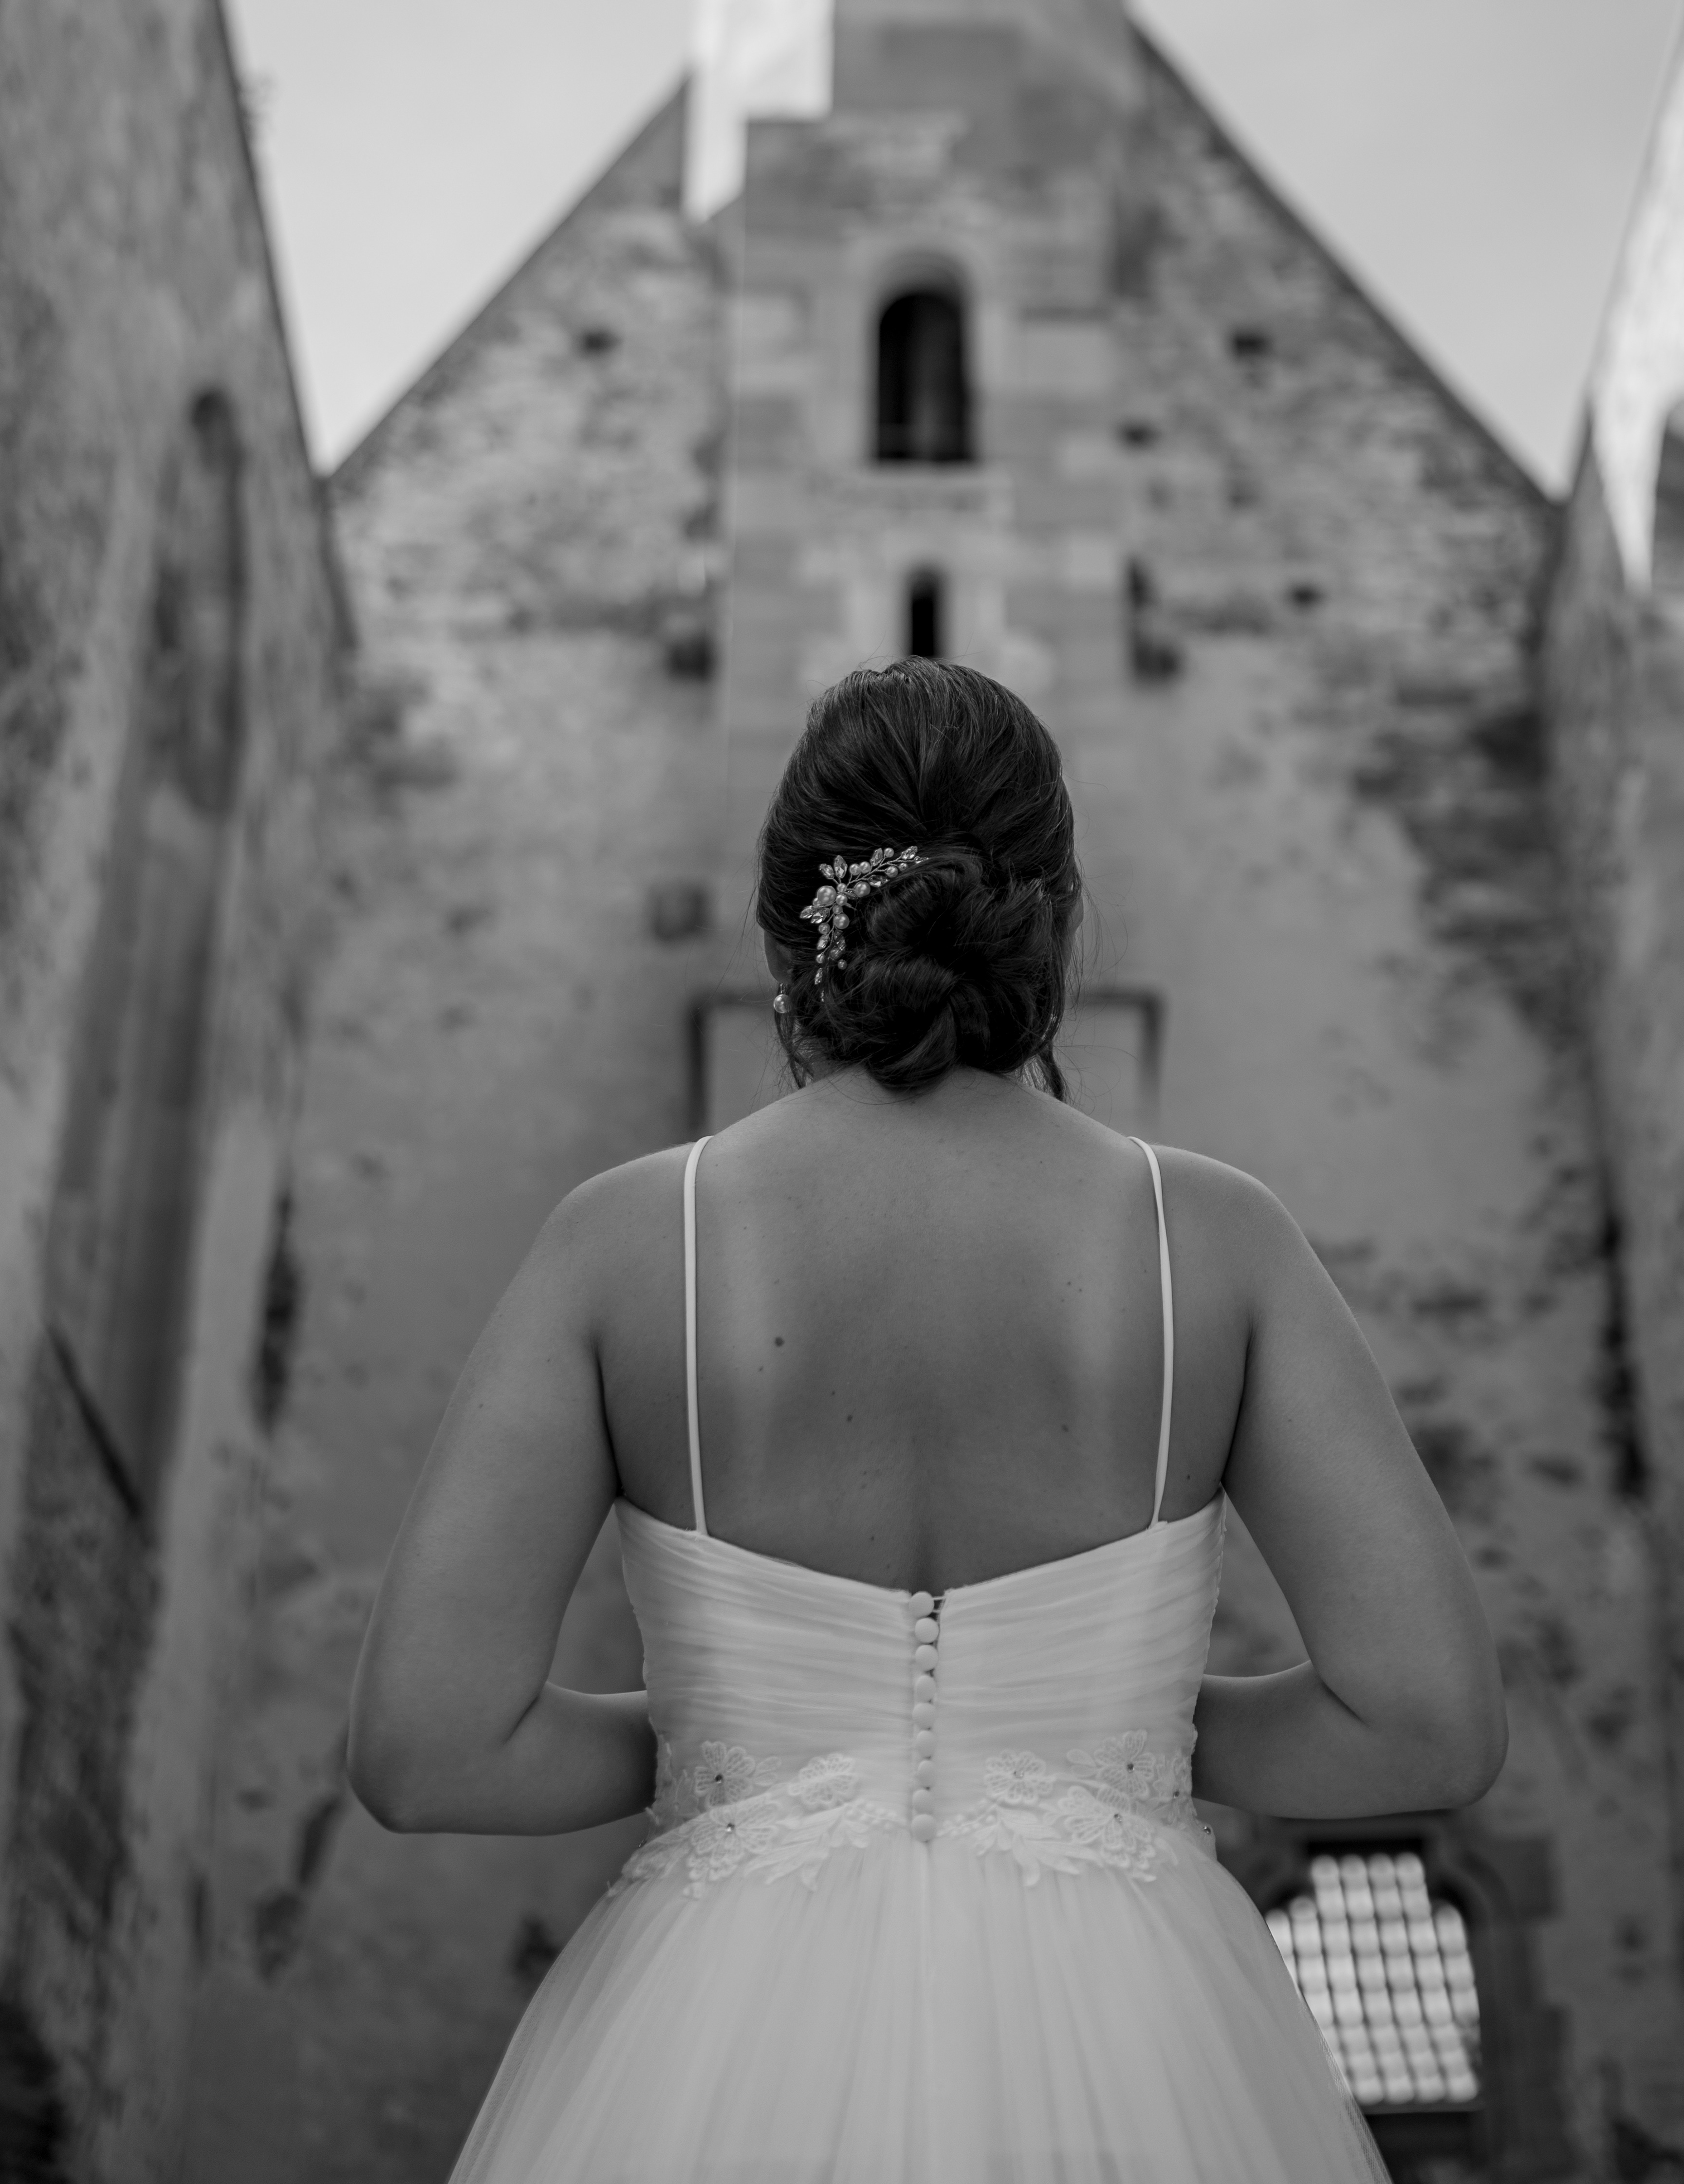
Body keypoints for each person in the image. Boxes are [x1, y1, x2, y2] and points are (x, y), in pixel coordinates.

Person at [349, 659, 1506, 2183]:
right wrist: (1110, 1731)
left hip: (709, 2046)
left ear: (786, 939)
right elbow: (1428, 1722)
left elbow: (429, 1749)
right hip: (1137, 2036)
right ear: (1056, 924)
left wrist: (741, 1739)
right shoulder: (1218, 1241)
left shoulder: (623, 1244)